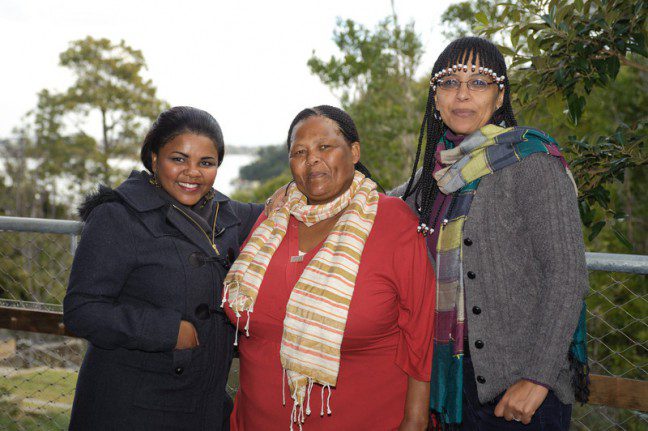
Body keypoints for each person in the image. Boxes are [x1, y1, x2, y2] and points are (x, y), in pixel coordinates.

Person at [390, 37, 590, 430]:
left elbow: (567, 274)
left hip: (524, 392)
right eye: (449, 83)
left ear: (499, 97)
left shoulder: (532, 162)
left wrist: (537, 378)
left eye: (479, 82)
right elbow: (371, 210)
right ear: (435, 100)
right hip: (451, 391)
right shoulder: (432, 179)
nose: (462, 94)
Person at [223, 105, 436, 431]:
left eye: (325, 147)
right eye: (300, 152)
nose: (312, 160)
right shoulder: (272, 220)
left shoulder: (392, 222)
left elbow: (423, 332)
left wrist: (416, 420)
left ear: (353, 151)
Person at [63, 106, 263, 430]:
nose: (192, 172)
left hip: (203, 407)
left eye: (206, 163)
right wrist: (168, 331)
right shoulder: (118, 215)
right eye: (179, 159)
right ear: (154, 158)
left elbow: (291, 206)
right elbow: (81, 310)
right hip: (130, 409)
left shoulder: (226, 214)